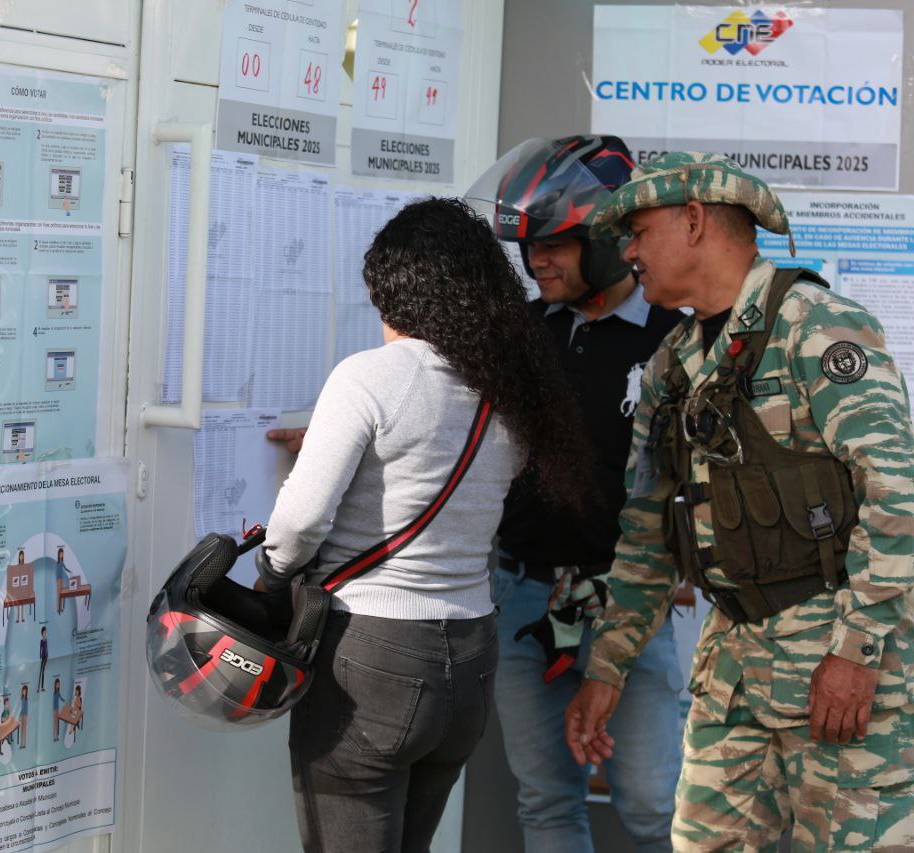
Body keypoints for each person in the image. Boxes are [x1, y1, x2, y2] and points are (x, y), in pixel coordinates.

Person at [564, 152, 914, 851]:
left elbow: (896, 494)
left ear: (694, 221)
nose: (628, 252)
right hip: (733, 674)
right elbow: (647, 532)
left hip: (838, 675)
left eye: (639, 231)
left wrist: (855, 653)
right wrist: (608, 666)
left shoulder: (816, 328)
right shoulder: (672, 366)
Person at [258, 197, 592, 853]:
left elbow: (300, 519)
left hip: (370, 655)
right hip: (469, 662)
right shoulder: (511, 389)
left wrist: (271, 574)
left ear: (388, 290)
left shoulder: (368, 376)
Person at [464, 135, 685, 852]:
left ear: (610, 241)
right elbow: (444, 421)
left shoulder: (677, 339)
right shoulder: (521, 335)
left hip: (630, 604)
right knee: (548, 802)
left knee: (654, 806)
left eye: (555, 243)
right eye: (529, 246)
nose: (537, 261)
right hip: (525, 598)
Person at [18, 684, 29, 750]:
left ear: (26, 692)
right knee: (22, 730)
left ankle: (24, 744)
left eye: (25, 691)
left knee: (24, 730)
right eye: (23, 691)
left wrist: (26, 716)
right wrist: (20, 715)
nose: (23, 692)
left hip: (25, 715)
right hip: (22, 715)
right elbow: (21, 708)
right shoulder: (22, 699)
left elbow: (25, 709)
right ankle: (22, 744)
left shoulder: (26, 699)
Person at [37, 626, 49, 693]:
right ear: (42, 633)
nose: (45, 633)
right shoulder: (41, 641)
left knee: (43, 671)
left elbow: (46, 648)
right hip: (42, 657)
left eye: (46, 632)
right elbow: (40, 649)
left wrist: (47, 655)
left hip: (46, 656)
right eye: (44, 632)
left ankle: (42, 687)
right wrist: (40, 656)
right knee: (40, 671)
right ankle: (38, 688)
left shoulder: (46, 640)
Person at [52, 677, 63, 742]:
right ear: (55, 685)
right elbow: (54, 701)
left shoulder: (58, 692)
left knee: (57, 723)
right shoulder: (55, 692)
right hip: (55, 709)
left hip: (57, 709)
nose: (58, 685)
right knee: (55, 724)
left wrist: (64, 701)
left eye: (58, 684)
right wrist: (54, 710)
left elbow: (61, 698)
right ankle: (55, 737)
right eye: (57, 684)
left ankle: (56, 737)